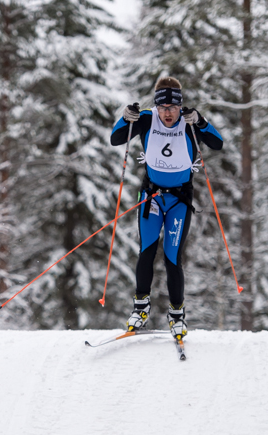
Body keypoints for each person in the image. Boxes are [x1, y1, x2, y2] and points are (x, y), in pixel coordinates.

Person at [110, 76, 223, 340]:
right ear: (156, 106)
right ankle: (140, 309)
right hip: (151, 198)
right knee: (147, 252)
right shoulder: (147, 119)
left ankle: (177, 315)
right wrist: (126, 118)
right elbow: (116, 139)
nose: (168, 113)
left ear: (179, 105)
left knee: (172, 257)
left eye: (173, 107)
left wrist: (202, 122)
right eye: (163, 107)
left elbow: (217, 143)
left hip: (178, 202)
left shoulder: (189, 120)